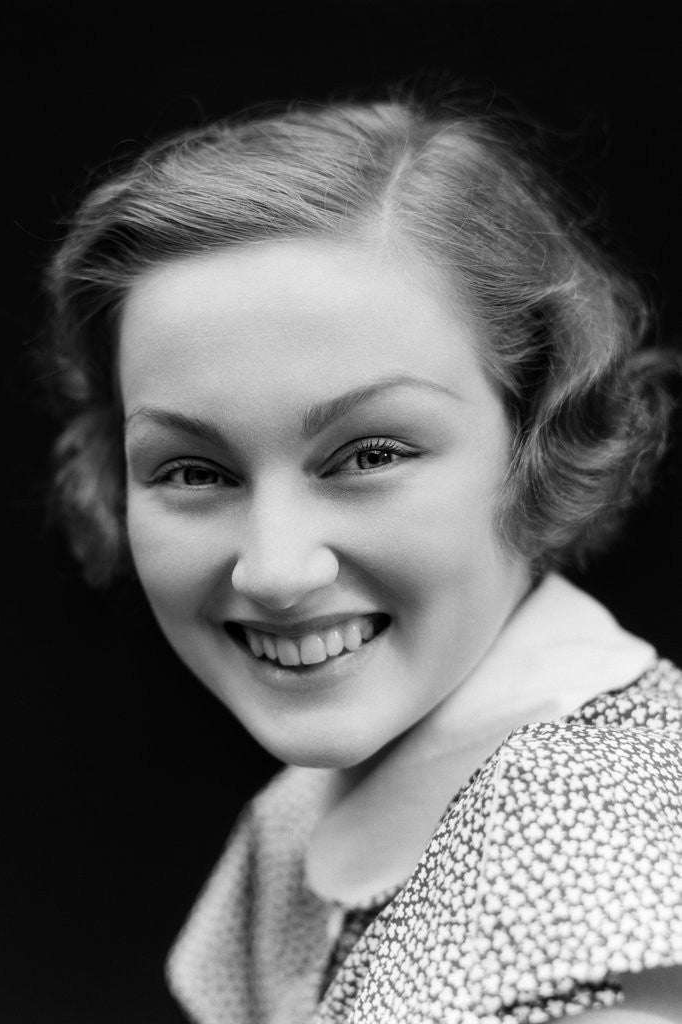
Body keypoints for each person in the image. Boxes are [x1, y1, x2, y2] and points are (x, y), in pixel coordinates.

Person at [43, 90, 682, 1022]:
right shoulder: (299, 815)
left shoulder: (606, 815)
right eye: (191, 470)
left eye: (372, 455)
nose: (274, 568)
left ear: (536, 434)